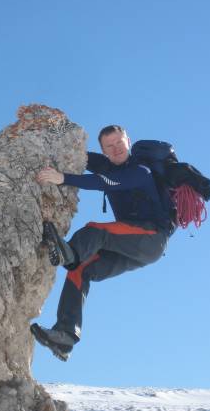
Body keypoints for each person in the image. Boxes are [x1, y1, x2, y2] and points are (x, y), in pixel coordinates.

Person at [31, 125, 176, 361]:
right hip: (130, 245)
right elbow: (78, 153)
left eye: (119, 142)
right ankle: (65, 336)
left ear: (128, 141)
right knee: (80, 270)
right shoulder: (105, 164)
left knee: (95, 231)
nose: (116, 148)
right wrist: (48, 136)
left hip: (152, 238)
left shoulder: (141, 171)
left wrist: (62, 179)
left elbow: (105, 182)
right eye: (109, 146)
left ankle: (70, 254)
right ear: (103, 150)